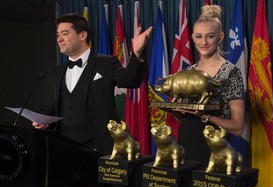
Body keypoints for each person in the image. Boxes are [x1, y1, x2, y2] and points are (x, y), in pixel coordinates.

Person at [32, 13, 153, 156]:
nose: (59, 39)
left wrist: (137, 54)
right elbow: (53, 107)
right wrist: (44, 121)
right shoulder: (58, 71)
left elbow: (130, 81)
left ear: (82, 36)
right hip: (63, 148)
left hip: (99, 149)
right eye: (58, 34)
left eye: (64, 33)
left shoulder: (106, 63)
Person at [174, 4, 245, 167]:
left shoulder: (230, 72)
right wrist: (175, 110)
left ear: (220, 37)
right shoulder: (187, 72)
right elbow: (185, 118)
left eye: (210, 36)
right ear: (192, 37)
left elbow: (238, 127)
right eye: (199, 36)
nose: (203, 42)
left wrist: (206, 117)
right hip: (185, 144)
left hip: (214, 151)